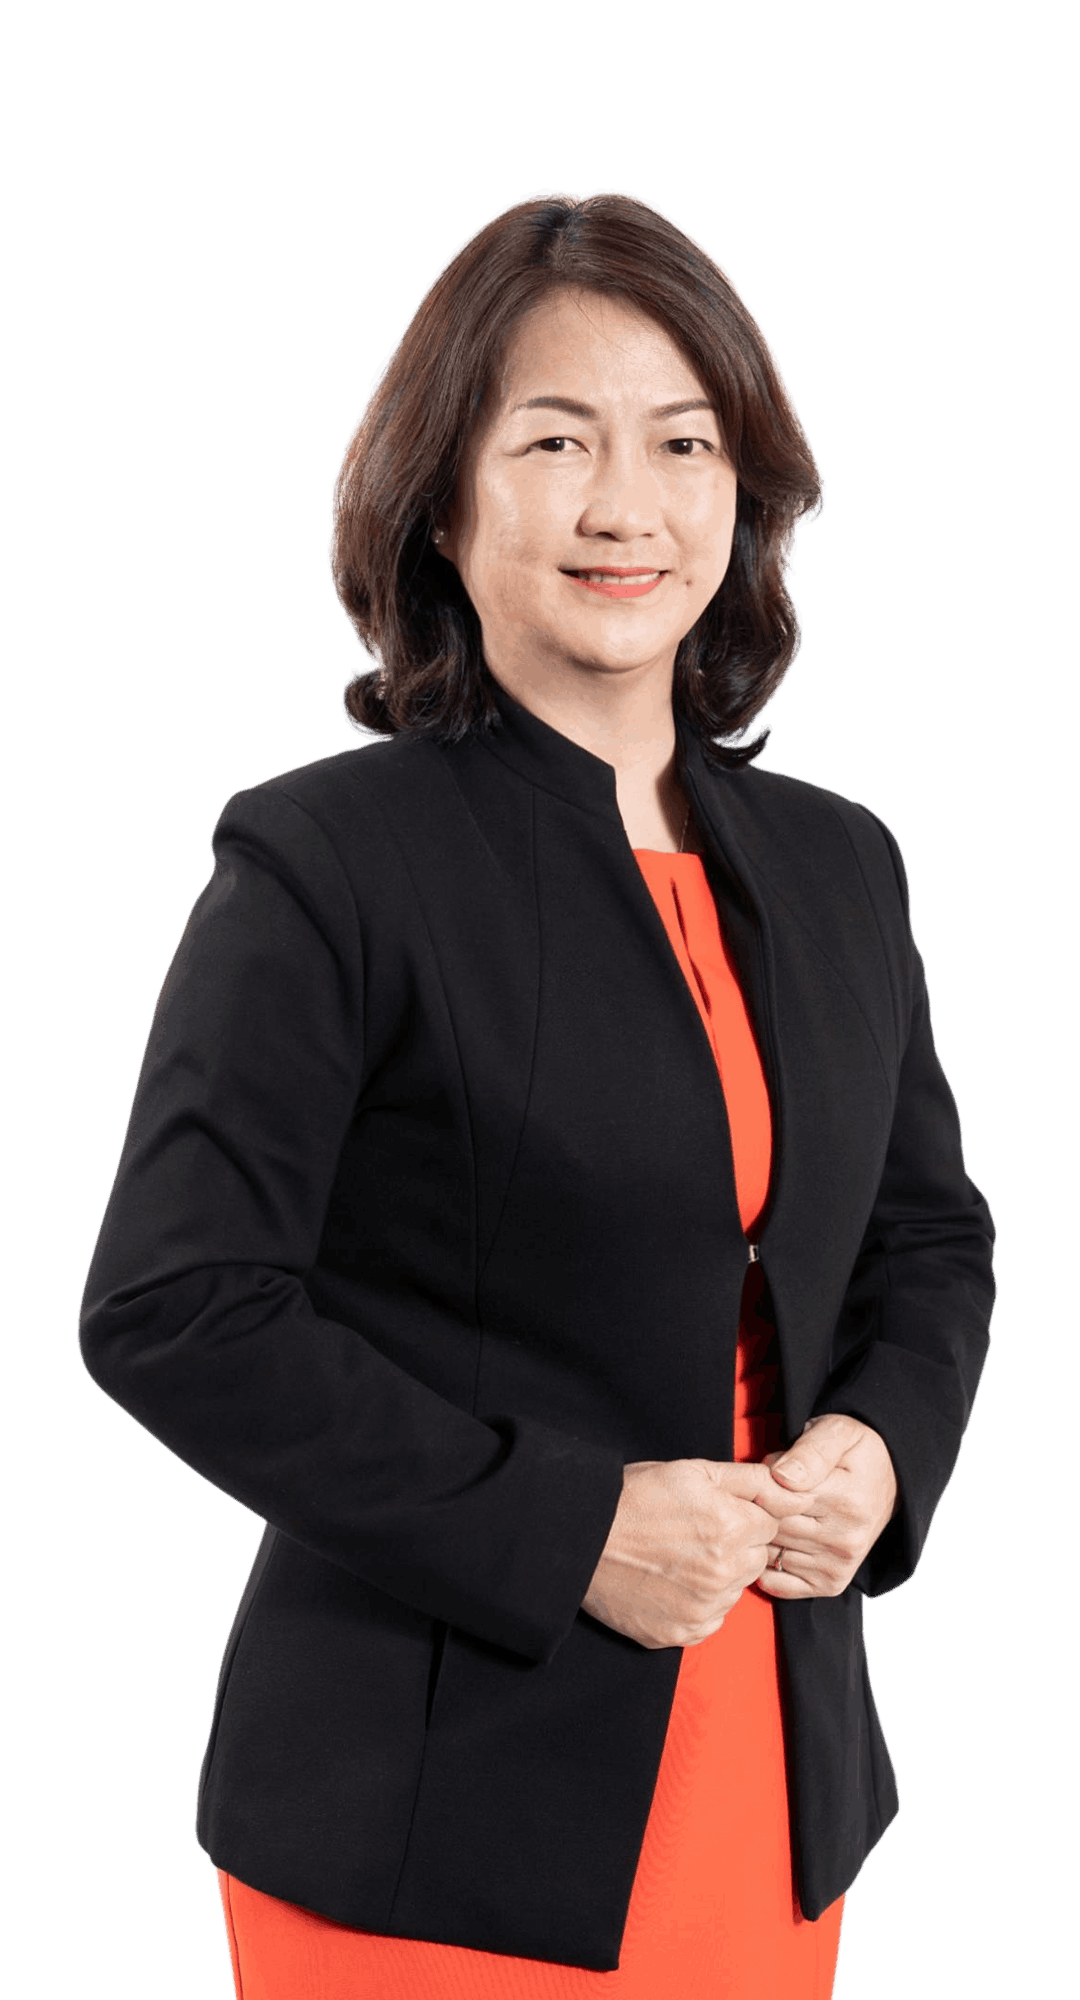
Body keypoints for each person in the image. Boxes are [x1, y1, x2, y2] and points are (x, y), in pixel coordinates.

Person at [77, 190, 995, 1998]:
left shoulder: (839, 862)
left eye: (683, 445)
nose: (623, 507)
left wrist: (886, 1447)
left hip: (778, 1777)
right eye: (557, 442)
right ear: (442, 498)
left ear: (747, 494)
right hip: (431, 1818)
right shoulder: (325, 861)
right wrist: (570, 1530)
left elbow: (930, 1236)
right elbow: (175, 1305)